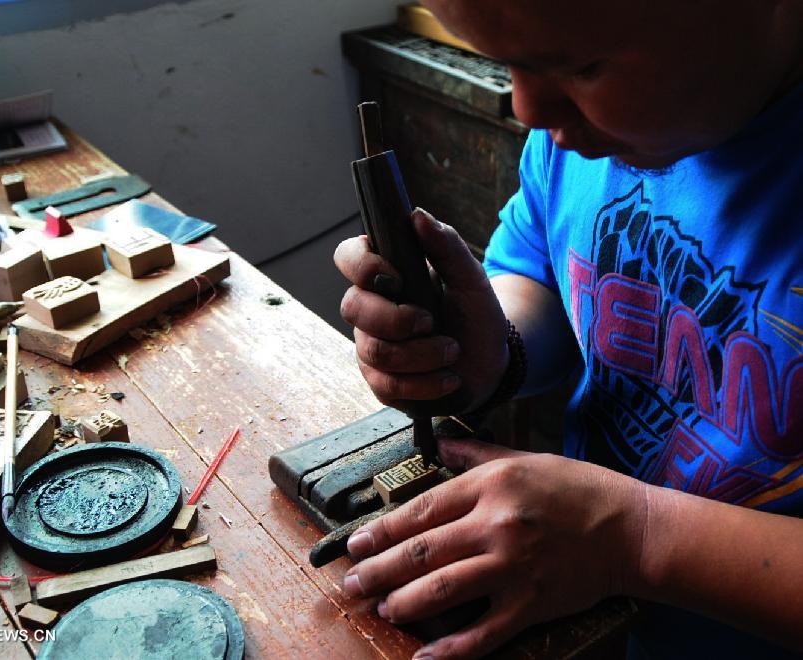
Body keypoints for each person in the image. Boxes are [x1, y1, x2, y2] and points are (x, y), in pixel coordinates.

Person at [333, 1, 803, 658]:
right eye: (505, 64)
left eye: (581, 67)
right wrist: (495, 348)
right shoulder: (590, 135)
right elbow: (545, 270)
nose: (529, 110)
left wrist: (637, 538)